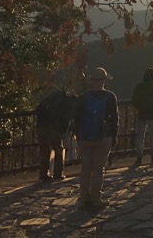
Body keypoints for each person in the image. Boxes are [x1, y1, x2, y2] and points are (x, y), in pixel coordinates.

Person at [74, 67, 119, 210]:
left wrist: (78, 135)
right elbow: (115, 119)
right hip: (104, 137)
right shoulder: (110, 97)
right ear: (104, 81)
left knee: (86, 169)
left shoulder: (83, 97)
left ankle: (83, 198)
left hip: (85, 137)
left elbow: (76, 118)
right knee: (99, 169)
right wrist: (114, 137)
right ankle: (96, 198)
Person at [36, 85, 77, 181]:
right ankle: (58, 173)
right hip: (54, 127)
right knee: (59, 149)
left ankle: (43, 174)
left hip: (41, 125)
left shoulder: (51, 100)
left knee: (44, 149)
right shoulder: (70, 103)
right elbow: (68, 118)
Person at [131, 68, 153, 166]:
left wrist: (140, 107)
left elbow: (134, 100)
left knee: (140, 137)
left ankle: (139, 158)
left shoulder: (139, 87)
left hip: (142, 114)